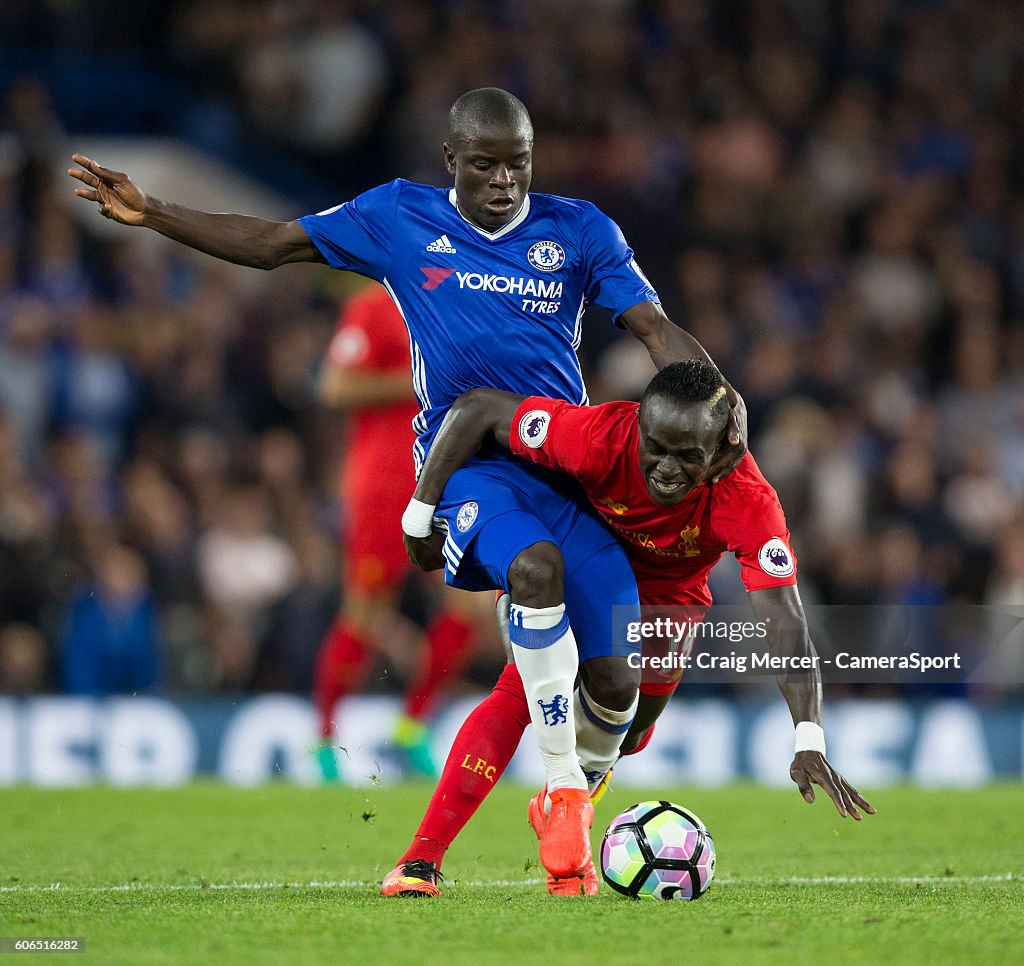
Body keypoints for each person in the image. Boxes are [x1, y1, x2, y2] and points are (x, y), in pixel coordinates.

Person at [68, 87, 747, 889]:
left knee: (616, 683)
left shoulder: (580, 230)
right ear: (451, 161)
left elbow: (655, 330)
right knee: (532, 575)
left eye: (519, 164)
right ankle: (557, 791)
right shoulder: (398, 217)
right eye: (487, 165)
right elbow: (274, 243)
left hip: (567, 474)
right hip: (469, 470)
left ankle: (544, 802)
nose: (505, 181)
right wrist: (157, 214)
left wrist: (720, 405)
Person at [389, 360, 874, 898]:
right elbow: (479, 408)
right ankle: (422, 859)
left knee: (633, 732)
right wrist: (419, 512)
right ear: (639, 426)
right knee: (522, 688)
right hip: (589, 563)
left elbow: (785, 620)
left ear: (721, 453)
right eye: (656, 447)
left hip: (671, 602)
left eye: (688, 457)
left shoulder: (748, 500)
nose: (666, 468)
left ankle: (563, 804)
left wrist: (809, 735)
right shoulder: (598, 436)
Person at [313, 280, 484, 779]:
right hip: (384, 486)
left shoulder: (459, 302)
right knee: (365, 611)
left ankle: (412, 727)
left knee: (469, 604)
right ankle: (323, 738)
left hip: (447, 481)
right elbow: (334, 385)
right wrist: (417, 380)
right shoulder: (373, 306)